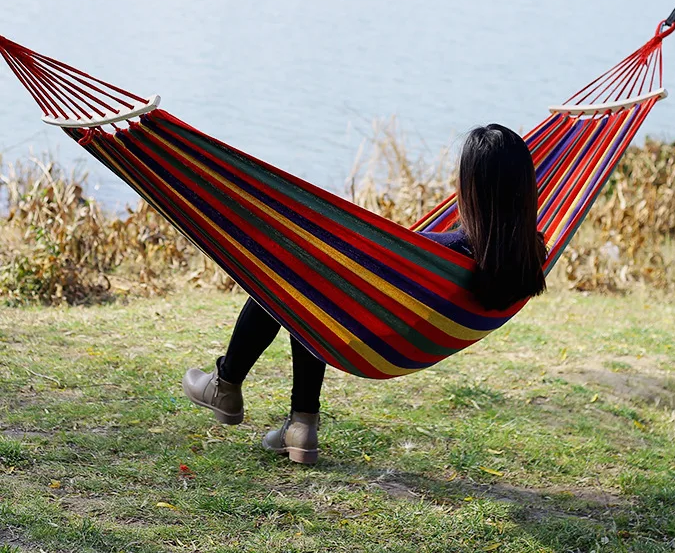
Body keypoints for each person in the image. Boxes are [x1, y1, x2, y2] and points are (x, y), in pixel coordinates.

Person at [182, 123, 547, 465]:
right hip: (411, 338)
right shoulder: (531, 255)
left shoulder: (442, 250)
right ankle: (300, 426)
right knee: (308, 280)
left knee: (298, 275)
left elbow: (366, 258)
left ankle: (227, 384)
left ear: (471, 188)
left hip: (377, 334)